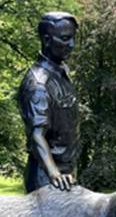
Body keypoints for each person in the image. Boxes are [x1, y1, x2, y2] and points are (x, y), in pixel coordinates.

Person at [17, 12, 80, 193]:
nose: (72, 45)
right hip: (47, 177)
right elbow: (37, 134)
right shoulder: (38, 84)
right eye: (65, 39)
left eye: (73, 38)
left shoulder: (61, 75)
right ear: (46, 40)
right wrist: (54, 173)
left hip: (67, 172)